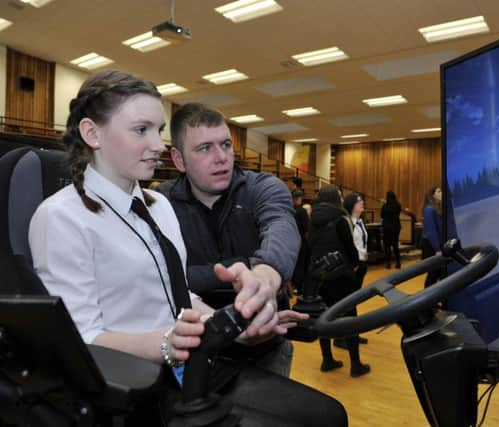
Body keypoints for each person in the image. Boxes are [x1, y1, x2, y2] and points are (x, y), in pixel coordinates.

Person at [28, 70, 347, 426]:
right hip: (133, 391)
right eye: (141, 130)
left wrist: (235, 323)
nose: (159, 145)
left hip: (192, 371)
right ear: (92, 133)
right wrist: (167, 343)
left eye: (159, 131)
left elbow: (178, 296)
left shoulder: (157, 206)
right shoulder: (60, 217)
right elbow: (80, 339)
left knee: (328, 416)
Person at [157, 103, 299, 377]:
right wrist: (239, 265)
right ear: (178, 159)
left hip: (266, 349)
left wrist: (265, 276)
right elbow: (162, 277)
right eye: (204, 148)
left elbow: (281, 228)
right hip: (196, 351)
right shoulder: (160, 203)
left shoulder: (263, 187)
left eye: (225, 144)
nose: (221, 157)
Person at [309, 184, 370, 378]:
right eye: (340, 197)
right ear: (335, 199)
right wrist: (354, 266)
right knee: (349, 316)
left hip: (319, 275)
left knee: (324, 316)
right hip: (341, 276)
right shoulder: (340, 220)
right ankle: (355, 364)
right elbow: (351, 250)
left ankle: (327, 359)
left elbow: (308, 247)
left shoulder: (313, 219)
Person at [333, 192, 370, 350]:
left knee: (353, 302)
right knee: (347, 303)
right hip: (353, 266)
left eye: (362, 200)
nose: (362, 203)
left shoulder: (360, 222)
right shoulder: (346, 223)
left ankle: (352, 334)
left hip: (361, 264)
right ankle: (343, 336)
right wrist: (353, 264)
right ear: (351, 205)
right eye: (358, 201)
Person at [422, 186, 443, 287]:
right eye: (439, 191)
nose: (441, 193)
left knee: (437, 273)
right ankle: (427, 300)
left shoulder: (437, 209)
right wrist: (437, 249)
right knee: (433, 274)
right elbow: (431, 231)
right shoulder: (429, 209)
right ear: (433, 195)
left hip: (436, 245)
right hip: (431, 247)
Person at [291, 188, 310, 295]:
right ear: (298, 199)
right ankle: (299, 287)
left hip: (290, 239)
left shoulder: (288, 209)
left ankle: (292, 285)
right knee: (301, 264)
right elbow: (306, 227)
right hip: (301, 241)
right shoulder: (302, 211)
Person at [381, 190, 402, 269]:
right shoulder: (398, 205)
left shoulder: (385, 206)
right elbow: (398, 213)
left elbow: (382, 216)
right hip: (396, 227)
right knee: (395, 245)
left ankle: (388, 263)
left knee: (387, 245)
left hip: (387, 227)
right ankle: (398, 262)